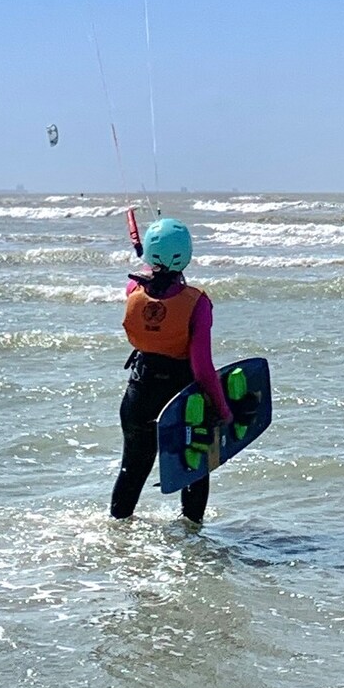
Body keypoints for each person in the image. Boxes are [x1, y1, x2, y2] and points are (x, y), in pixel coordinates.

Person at [109, 216, 232, 525]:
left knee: (132, 468)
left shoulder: (133, 289)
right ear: (187, 255)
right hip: (183, 400)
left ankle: (117, 532)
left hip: (139, 393)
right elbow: (202, 367)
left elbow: (151, 284)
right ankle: (192, 537)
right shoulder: (197, 303)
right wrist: (222, 408)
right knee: (194, 469)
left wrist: (152, 261)